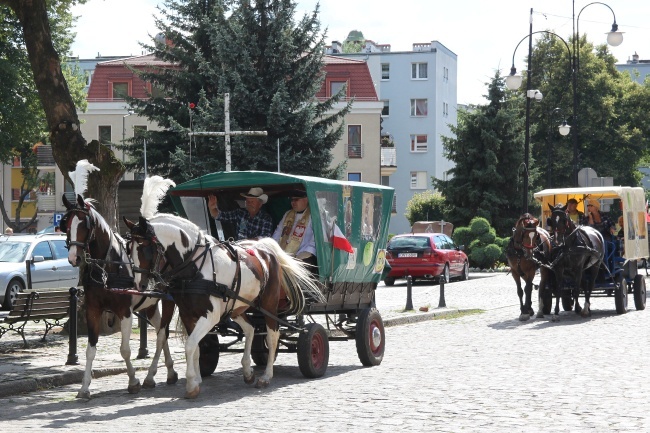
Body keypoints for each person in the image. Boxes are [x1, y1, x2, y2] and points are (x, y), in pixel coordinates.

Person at [272, 190, 317, 273]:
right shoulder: (288, 214)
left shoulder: (313, 215)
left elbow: (315, 239)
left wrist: (303, 254)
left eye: (296, 199)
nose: (293, 202)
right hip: (284, 252)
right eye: (292, 200)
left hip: (304, 253)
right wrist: (273, 247)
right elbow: (278, 232)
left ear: (306, 199)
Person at [207, 187, 273, 240]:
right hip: (238, 250)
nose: (249, 203)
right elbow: (220, 216)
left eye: (252, 201)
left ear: (260, 204)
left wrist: (246, 242)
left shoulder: (266, 218)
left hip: (256, 252)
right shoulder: (240, 213)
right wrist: (212, 208)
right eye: (247, 201)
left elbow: (264, 239)